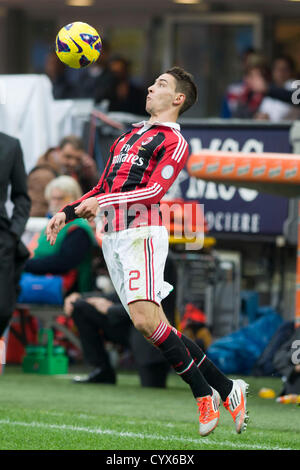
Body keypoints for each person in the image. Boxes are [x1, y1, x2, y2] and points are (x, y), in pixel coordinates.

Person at [46, 66, 249, 437]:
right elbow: (103, 185)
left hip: (143, 231)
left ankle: (203, 395)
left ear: (178, 99)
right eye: (154, 82)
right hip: (114, 236)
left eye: (162, 85)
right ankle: (227, 387)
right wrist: (69, 210)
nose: (152, 87)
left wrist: (104, 201)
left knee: (143, 321)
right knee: (155, 326)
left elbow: (153, 193)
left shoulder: (174, 141)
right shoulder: (126, 137)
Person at [63, 253, 177, 387]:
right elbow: (119, 295)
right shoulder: (132, 253)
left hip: (149, 335)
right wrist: (81, 297)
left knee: (153, 386)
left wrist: (110, 309)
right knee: (80, 306)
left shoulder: (161, 258)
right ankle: (101, 370)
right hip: (129, 327)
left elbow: (152, 304)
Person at [25, 176, 96, 294]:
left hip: (68, 289)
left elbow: (64, 262)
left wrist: (26, 265)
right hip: (43, 281)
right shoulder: (51, 223)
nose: (55, 203)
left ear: (73, 198)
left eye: (60, 198)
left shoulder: (78, 228)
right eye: (52, 198)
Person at [0, 133, 31, 337]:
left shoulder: (10, 145)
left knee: (3, 307)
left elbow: (22, 196)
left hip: (3, 237)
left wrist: (14, 232)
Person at [28, 135, 99, 216]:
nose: (73, 163)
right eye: (68, 157)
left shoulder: (76, 172)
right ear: (58, 151)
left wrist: (90, 176)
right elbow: (36, 212)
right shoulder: (42, 176)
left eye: (78, 159)